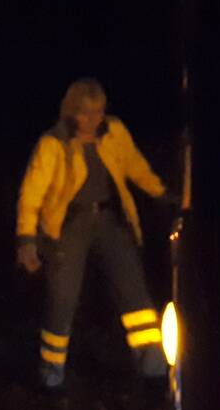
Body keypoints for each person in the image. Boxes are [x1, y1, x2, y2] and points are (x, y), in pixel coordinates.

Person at [16, 78, 172, 392]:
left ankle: (154, 368)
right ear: (72, 112)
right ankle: (51, 374)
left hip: (109, 220)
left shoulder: (114, 132)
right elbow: (31, 193)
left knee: (135, 291)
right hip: (69, 226)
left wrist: (163, 194)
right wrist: (26, 239)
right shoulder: (54, 143)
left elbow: (135, 167)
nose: (93, 119)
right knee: (62, 299)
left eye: (98, 112)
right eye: (86, 113)